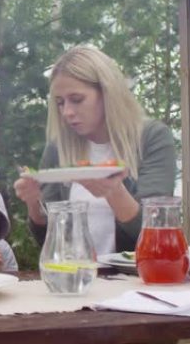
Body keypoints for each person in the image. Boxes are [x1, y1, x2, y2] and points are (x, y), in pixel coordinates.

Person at [13, 45, 177, 255]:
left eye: (77, 100)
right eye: (60, 103)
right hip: (75, 278)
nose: (67, 112)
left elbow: (157, 234)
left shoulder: (151, 138)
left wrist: (114, 192)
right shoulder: (58, 147)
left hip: (134, 280)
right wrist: (33, 204)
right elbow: (48, 241)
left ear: (108, 93)